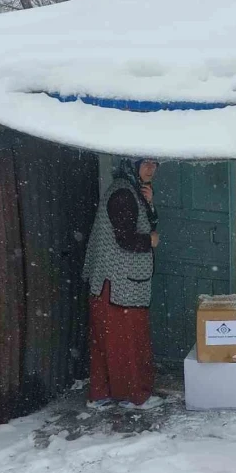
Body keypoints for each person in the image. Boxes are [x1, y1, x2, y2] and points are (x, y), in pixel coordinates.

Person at [82, 158, 163, 410]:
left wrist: (149, 204)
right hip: (117, 285)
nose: (151, 169)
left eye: (155, 164)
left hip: (118, 284)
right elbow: (125, 238)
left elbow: (142, 223)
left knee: (110, 341)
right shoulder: (123, 194)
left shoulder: (132, 191)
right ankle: (133, 395)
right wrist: (149, 241)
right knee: (127, 342)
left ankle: (102, 393)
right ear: (132, 164)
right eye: (145, 163)